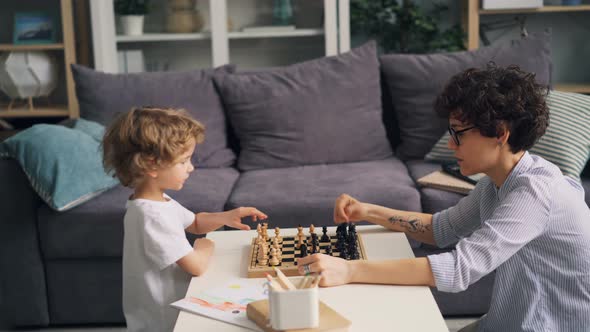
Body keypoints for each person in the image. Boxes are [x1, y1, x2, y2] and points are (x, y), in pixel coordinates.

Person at [297, 64, 590, 331]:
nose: (450, 144)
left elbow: (459, 268)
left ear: (500, 133)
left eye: (458, 133)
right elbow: (442, 229)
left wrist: (349, 270)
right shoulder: (497, 183)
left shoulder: (536, 193)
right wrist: (367, 211)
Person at [102, 107, 267, 332]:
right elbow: (196, 265)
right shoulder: (152, 216)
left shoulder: (155, 201)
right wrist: (205, 244)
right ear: (152, 165)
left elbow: (196, 223)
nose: (191, 168)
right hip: (163, 318)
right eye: (183, 161)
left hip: (169, 308)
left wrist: (226, 217)